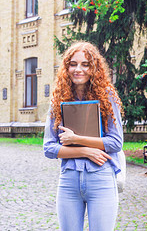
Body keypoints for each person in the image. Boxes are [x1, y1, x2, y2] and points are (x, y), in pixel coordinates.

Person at [43, 41, 123, 231]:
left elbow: (116, 142)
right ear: (66, 67)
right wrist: (86, 151)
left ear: (94, 68)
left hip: (101, 178)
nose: (78, 69)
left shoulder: (107, 95)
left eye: (85, 64)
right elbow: (49, 148)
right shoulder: (59, 98)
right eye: (73, 64)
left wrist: (76, 139)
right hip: (69, 181)